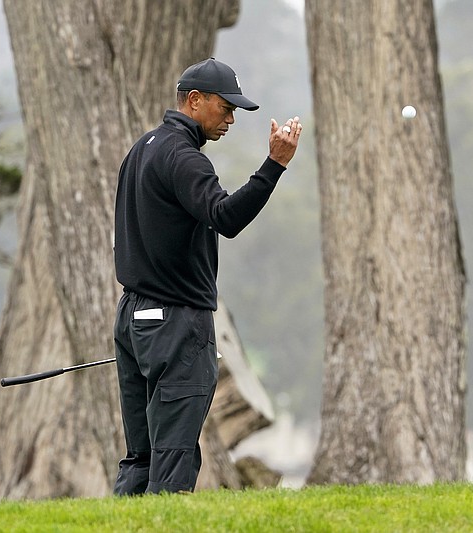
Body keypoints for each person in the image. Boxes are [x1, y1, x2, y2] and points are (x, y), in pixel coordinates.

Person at [112, 58, 301, 495]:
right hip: (176, 324)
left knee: (141, 458)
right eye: (226, 107)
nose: (232, 118)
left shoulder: (142, 148)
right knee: (173, 461)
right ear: (195, 101)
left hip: (133, 320)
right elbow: (225, 217)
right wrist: (273, 165)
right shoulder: (183, 157)